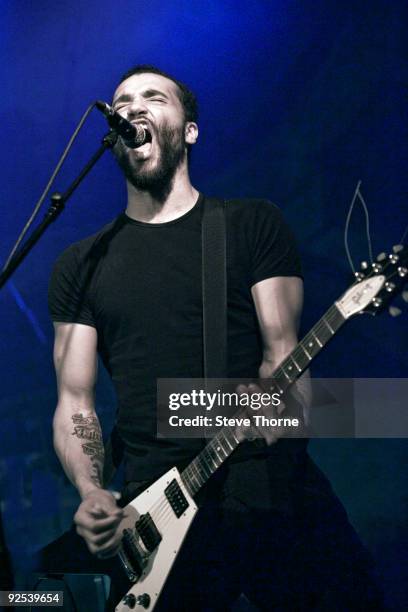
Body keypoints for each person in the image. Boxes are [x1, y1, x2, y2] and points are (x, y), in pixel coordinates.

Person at [42, 65, 383, 610]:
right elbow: (75, 402)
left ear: (190, 129)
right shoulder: (82, 264)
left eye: (155, 97)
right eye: (123, 101)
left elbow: (284, 362)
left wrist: (277, 412)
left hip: (265, 488)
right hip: (151, 518)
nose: (134, 108)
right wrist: (91, 494)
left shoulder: (250, 225)